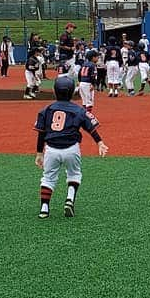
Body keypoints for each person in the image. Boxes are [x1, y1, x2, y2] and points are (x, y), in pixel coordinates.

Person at [33, 73, 108, 220]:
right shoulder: (79, 110)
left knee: (48, 178)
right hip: (71, 149)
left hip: (51, 149)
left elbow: (41, 133)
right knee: (74, 174)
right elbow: (91, 128)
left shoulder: (46, 110)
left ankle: (44, 208)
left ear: (54, 91)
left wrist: (39, 152)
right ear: (73, 91)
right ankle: (69, 199)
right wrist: (100, 142)